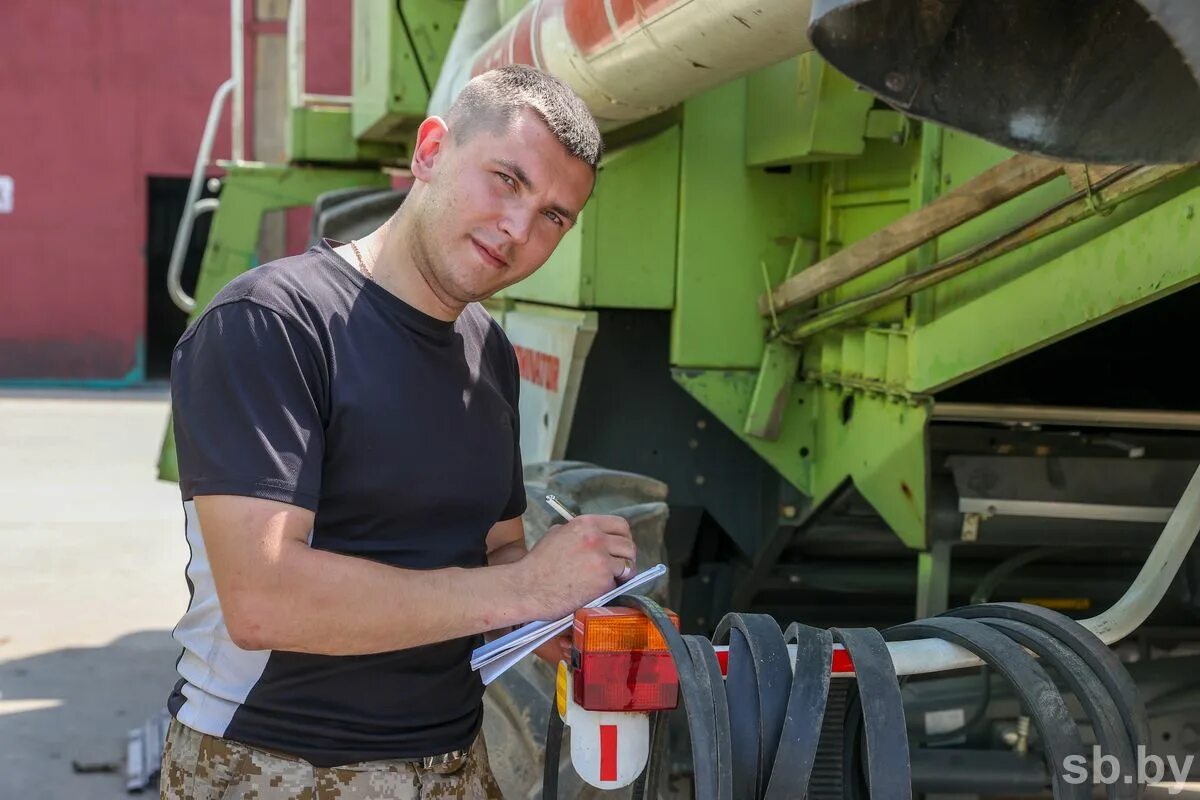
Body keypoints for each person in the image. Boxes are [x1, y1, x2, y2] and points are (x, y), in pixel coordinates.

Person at [159, 64, 635, 800]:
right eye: (506, 179)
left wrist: (563, 612)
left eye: (554, 217)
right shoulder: (273, 323)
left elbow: (497, 549)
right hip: (277, 764)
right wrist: (525, 589)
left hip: (455, 763)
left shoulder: (489, 351)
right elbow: (264, 601)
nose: (519, 229)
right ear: (431, 150)